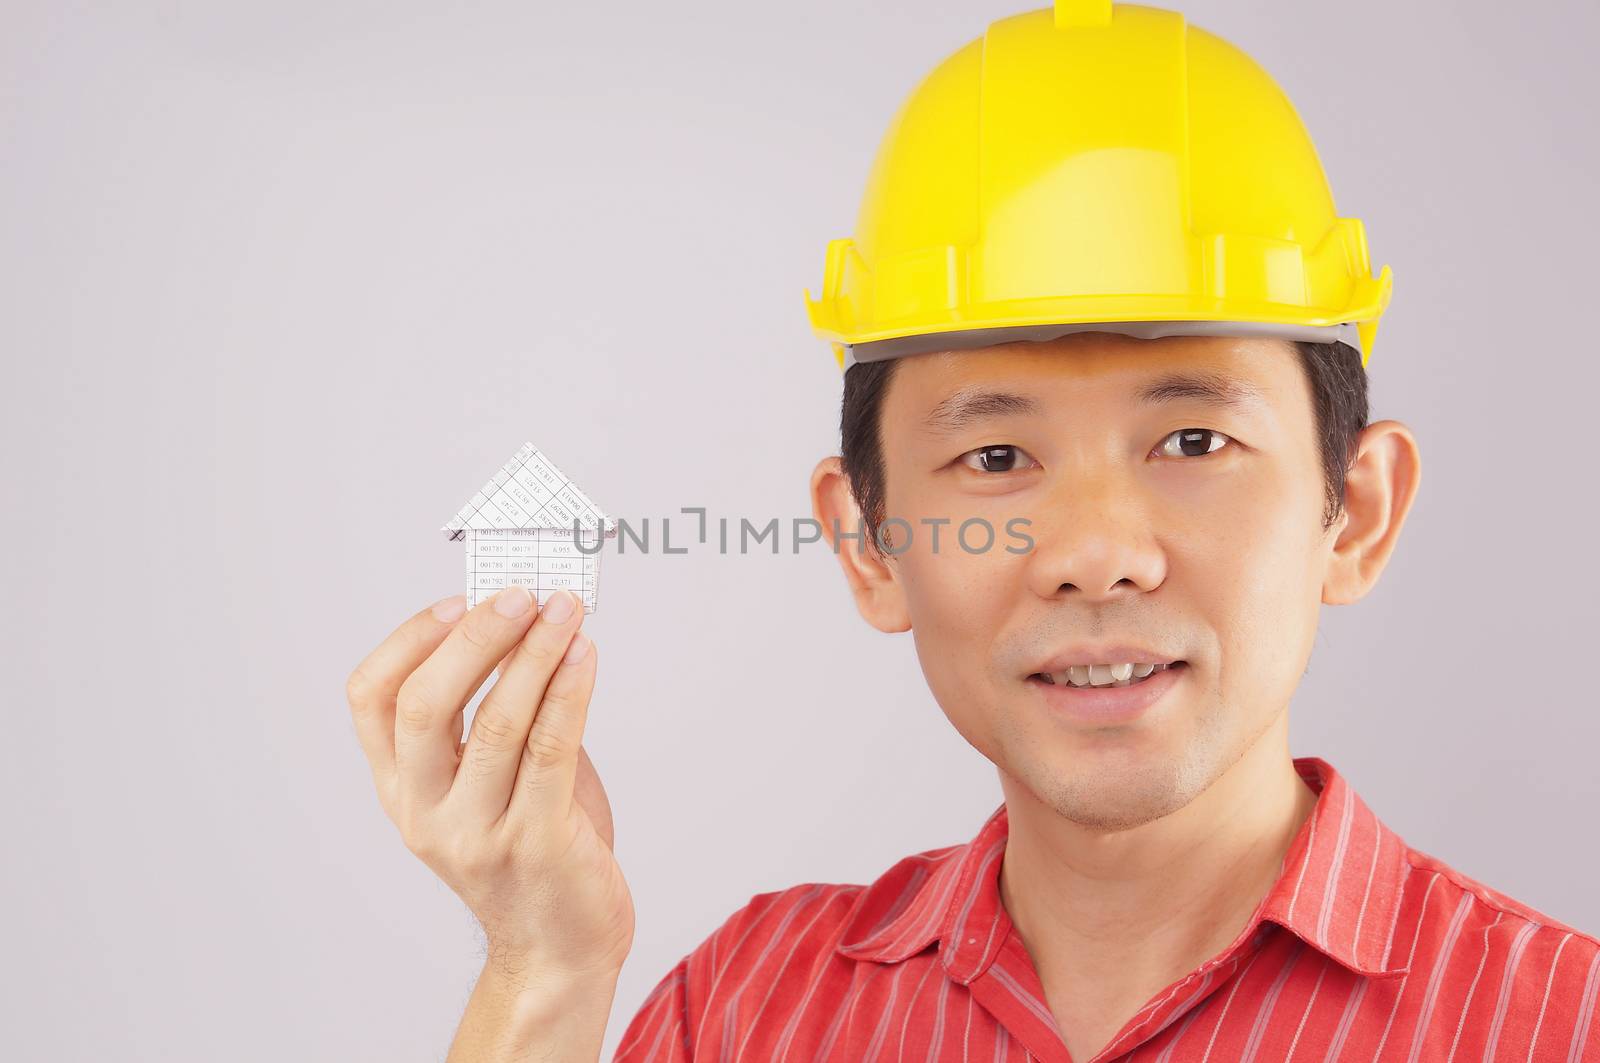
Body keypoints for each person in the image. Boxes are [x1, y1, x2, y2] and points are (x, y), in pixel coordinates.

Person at [345, 2, 1600, 1060]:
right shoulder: (745, 1014)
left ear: (1357, 512)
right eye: (994, 457)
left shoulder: (1558, 1023)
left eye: (1193, 442)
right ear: (868, 543)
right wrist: (544, 967)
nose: (1094, 552)